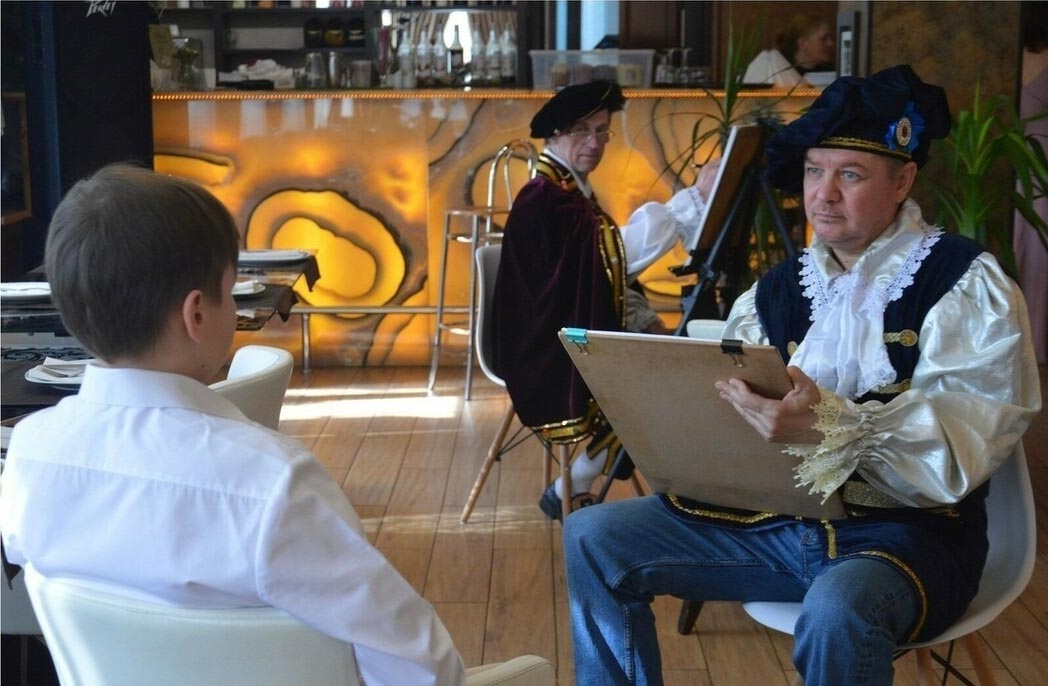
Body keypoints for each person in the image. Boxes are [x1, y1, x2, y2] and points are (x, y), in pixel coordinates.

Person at [562, 65, 1041, 686]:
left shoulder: (963, 282)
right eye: (815, 171)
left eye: (850, 174)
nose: (824, 195)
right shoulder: (776, 291)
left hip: (905, 540)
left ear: (902, 180)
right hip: (771, 528)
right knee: (593, 535)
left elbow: (967, 435)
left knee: (838, 608)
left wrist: (833, 426)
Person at [0, 164, 465, 686]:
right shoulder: (272, 483)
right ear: (197, 314)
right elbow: (421, 666)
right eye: (232, 286)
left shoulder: (30, 455)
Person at [492, 81, 717, 520]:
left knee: (663, 363)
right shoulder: (545, 198)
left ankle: (577, 484)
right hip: (543, 347)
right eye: (581, 131)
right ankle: (578, 484)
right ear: (555, 134)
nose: (594, 143)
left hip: (561, 329)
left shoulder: (568, 191)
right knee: (659, 379)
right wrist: (690, 202)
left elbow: (598, 274)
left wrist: (643, 317)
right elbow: (612, 257)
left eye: (601, 131)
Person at [1014, 0, 1048, 364]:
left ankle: (1024, 340)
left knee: (1022, 246)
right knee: (1041, 249)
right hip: (1043, 162)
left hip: (1014, 157)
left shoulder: (1009, 56)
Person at [744, 14, 836, 87]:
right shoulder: (780, 70)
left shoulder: (833, 71)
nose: (830, 43)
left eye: (830, 38)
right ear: (802, 43)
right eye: (823, 39)